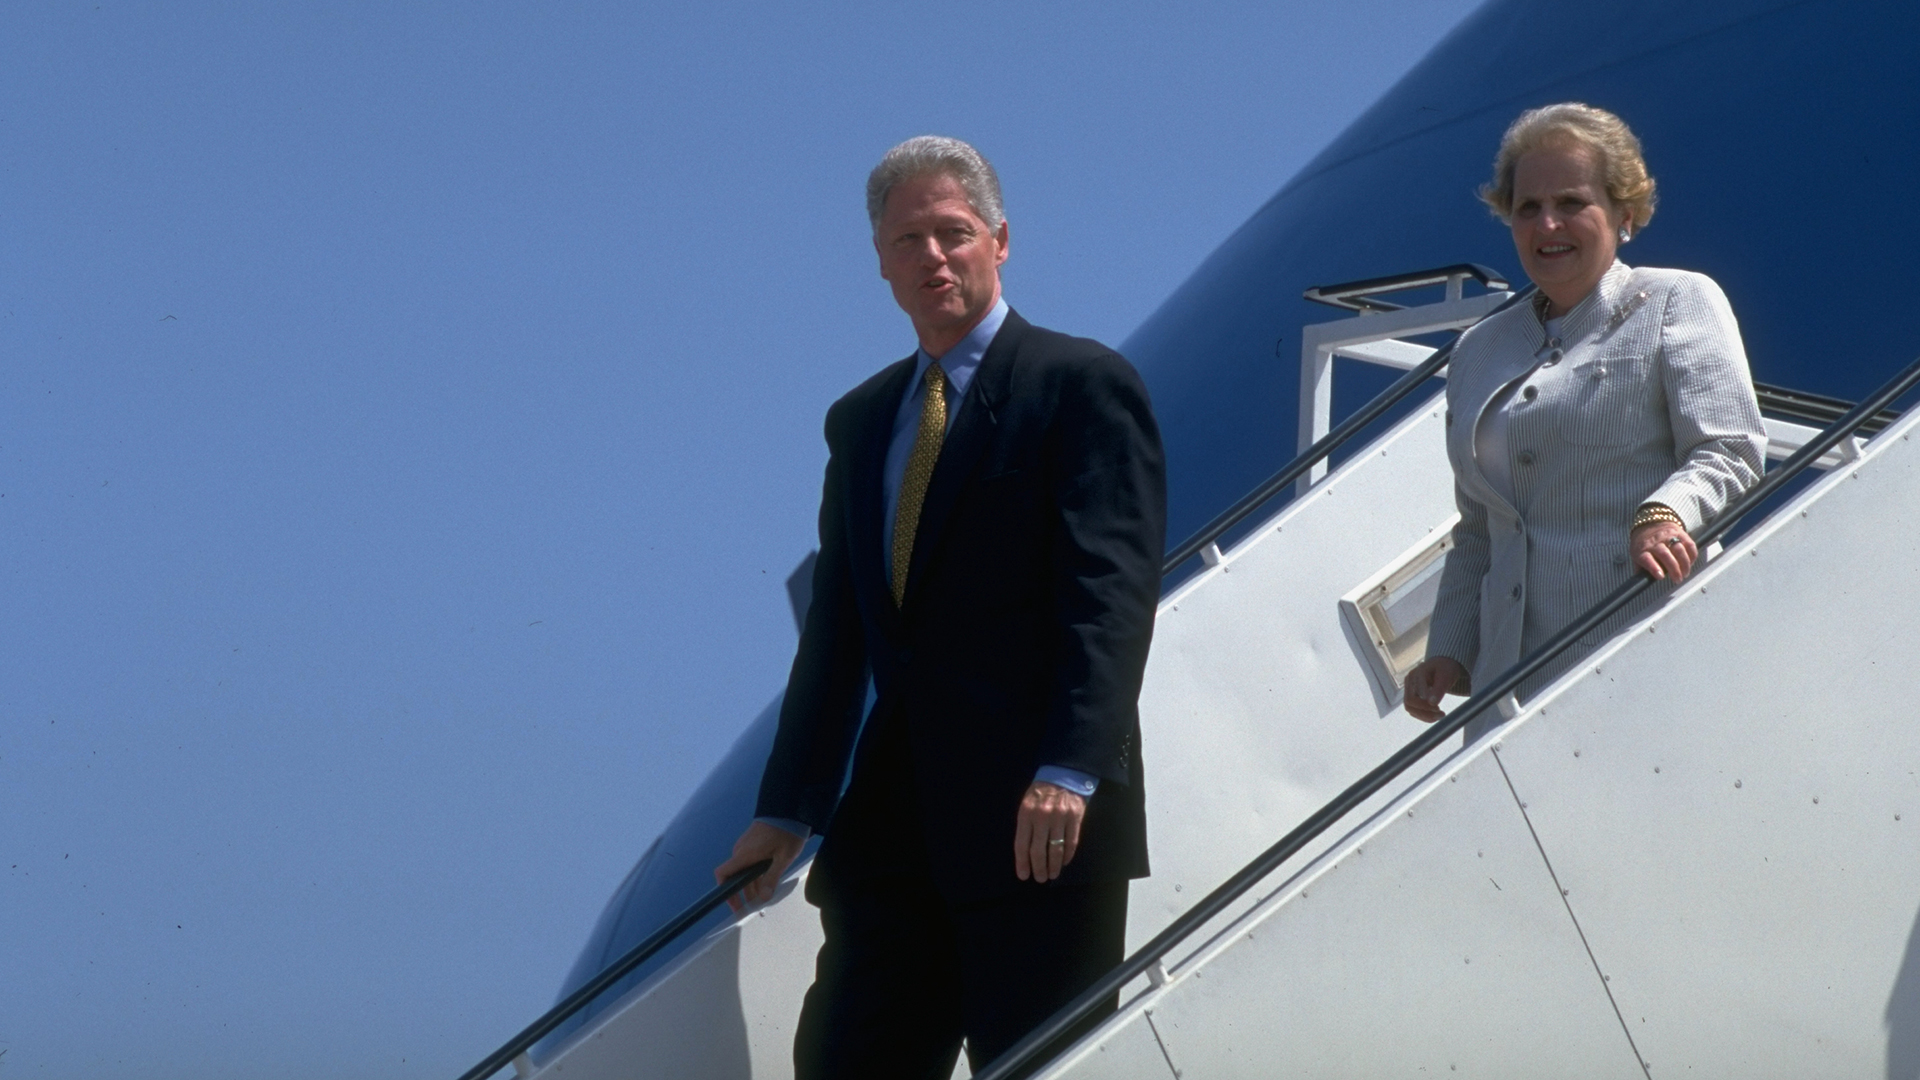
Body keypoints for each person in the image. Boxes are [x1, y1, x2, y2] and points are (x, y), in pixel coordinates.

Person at [713, 136, 1166, 1079]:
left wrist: (1073, 769)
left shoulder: (1078, 386)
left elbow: (1109, 596)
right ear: (880, 261)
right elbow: (838, 631)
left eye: (954, 232)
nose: (934, 256)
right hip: (894, 835)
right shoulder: (863, 419)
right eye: (909, 238)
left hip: (1040, 831)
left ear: (1000, 241)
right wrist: (788, 807)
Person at [1403, 103, 1766, 736]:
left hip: (1640, 653)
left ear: (1625, 212)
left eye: (1572, 202)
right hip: (1506, 686)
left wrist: (1667, 513)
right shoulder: (1476, 351)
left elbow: (1729, 450)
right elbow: (1480, 529)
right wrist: (1450, 652)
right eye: (1527, 207)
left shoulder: (1677, 300)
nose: (1548, 223)